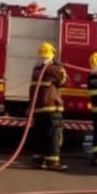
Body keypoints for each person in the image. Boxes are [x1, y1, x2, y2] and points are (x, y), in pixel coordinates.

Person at [29, 41, 68, 171]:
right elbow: (65, 80)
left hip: (39, 109)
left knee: (39, 134)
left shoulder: (36, 69)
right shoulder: (51, 68)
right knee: (53, 135)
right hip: (51, 107)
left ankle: (38, 160)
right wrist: (59, 65)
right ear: (52, 54)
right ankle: (52, 162)